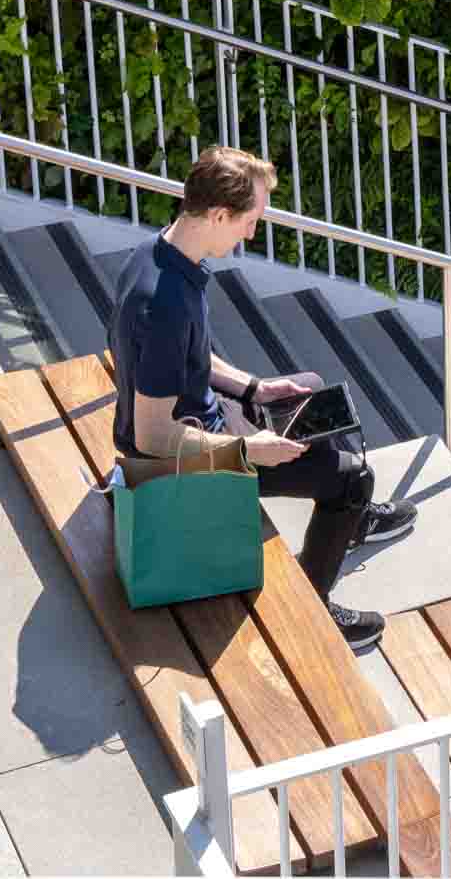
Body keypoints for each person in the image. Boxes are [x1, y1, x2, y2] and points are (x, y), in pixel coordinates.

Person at [109, 145, 416, 652]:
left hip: (206, 421)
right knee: (352, 476)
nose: (252, 233)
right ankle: (317, 612)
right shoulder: (162, 305)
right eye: (249, 221)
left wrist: (256, 388)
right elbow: (153, 437)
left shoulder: (159, 254)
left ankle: (352, 519)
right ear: (218, 214)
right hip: (180, 468)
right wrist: (249, 452)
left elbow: (193, 357)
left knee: (310, 393)